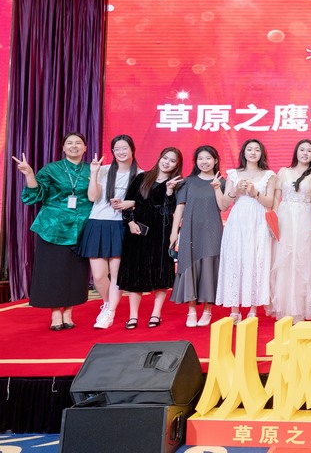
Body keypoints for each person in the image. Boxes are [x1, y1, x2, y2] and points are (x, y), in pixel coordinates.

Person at [14, 132, 92, 330]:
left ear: (85, 148)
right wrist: (29, 174)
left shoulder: (92, 169)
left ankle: (68, 313)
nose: (74, 146)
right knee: (53, 271)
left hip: (81, 227)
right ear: (63, 148)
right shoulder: (51, 169)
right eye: (69, 143)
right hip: (53, 226)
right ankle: (56, 313)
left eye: (78, 143)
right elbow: (35, 195)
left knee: (75, 272)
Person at [118, 147, 183, 329]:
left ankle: (156, 313)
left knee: (160, 271)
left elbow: (172, 209)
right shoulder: (142, 177)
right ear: (159, 157)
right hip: (138, 229)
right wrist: (130, 222)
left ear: (177, 165)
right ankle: (133, 316)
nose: (167, 162)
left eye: (172, 161)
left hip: (162, 231)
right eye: (165, 158)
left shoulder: (177, 183)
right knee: (135, 272)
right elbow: (128, 202)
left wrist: (169, 191)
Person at [80, 134, 139, 329]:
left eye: (124, 148)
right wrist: (94, 173)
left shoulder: (140, 174)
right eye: (117, 149)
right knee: (98, 275)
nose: (121, 152)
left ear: (132, 149)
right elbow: (92, 197)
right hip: (97, 223)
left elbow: (142, 202)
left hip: (120, 225)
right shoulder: (103, 170)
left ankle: (110, 312)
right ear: (112, 151)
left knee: (116, 273)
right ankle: (107, 304)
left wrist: (125, 204)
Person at [216, 139, 276, 323]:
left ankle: (253, 308)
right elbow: (224, 204)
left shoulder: (269, 175)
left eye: (257, 149)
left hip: (258, 220)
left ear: (262, 153)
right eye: (249, 149)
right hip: (238, 221)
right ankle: (234, 309)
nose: (253, 152)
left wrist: (255, 192)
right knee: (236, 260)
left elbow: (270, 202)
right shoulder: (233, 174)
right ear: (244, 153)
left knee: (256, 260)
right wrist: (235, 190)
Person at [170, 145, 228, 327]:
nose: (204, 162)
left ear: (215, 160)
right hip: (190, 230)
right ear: (196, 161)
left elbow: (223, 206)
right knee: (189, 266)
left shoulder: (222, 182)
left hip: (212, 230)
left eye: (208, 158)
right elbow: (180, 208)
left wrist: (217, 188)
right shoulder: (187, 182)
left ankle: (208, 311)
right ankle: (191, 311)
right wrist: (174, 232)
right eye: (200, 158)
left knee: (209, 267)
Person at [268, 139, 311, 323]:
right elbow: (276, 199)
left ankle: (301, 308)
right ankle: (284, 307)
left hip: (305, 219)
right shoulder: (284, 172)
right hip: (285, 219)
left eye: (309, 151)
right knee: (284, 260)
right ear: (296, 152)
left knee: (303, 261)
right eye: (302, 150)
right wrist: (274, 220)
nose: (305, 153)